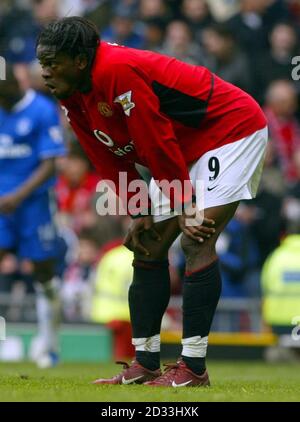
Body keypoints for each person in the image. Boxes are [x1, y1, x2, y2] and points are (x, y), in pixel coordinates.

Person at [36, 16, 267, 387]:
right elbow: (103, 153)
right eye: (42, 63)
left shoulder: (116, 71)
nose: (44, 72)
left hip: (229, 129)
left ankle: (193, 368)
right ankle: (145, 363)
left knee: (196, 237)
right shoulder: (71, 90)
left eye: (52, 63)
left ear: (79, 60)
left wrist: (185, 205)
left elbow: (155, 139)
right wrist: (138, 208)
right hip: (183, 148)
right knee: (148, 245)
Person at [0, 66, 66, 367]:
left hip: (33, 204)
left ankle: (48, 346)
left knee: (42, 272)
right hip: (2, 205)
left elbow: (51, 164)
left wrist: (18, 196)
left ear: (14, 84)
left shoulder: (41, 110)